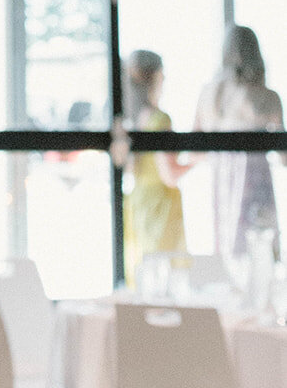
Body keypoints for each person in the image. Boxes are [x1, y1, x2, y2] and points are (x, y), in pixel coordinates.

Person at [195, 24, 284, 260]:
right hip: (257, 184)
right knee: (261, 253)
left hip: (222, 182)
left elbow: (195, 146)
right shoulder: (268, 97)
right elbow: (284, 157)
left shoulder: (209, 95)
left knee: (228, 255)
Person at [121, 49, 191, 283]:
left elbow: (129, 167)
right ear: (158, 77)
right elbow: (169, 174)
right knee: (166, 278)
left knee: (143, 276)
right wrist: (198, 159)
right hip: (161, 205)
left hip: (138, 201)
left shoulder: (132, 119)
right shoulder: (159, 119)